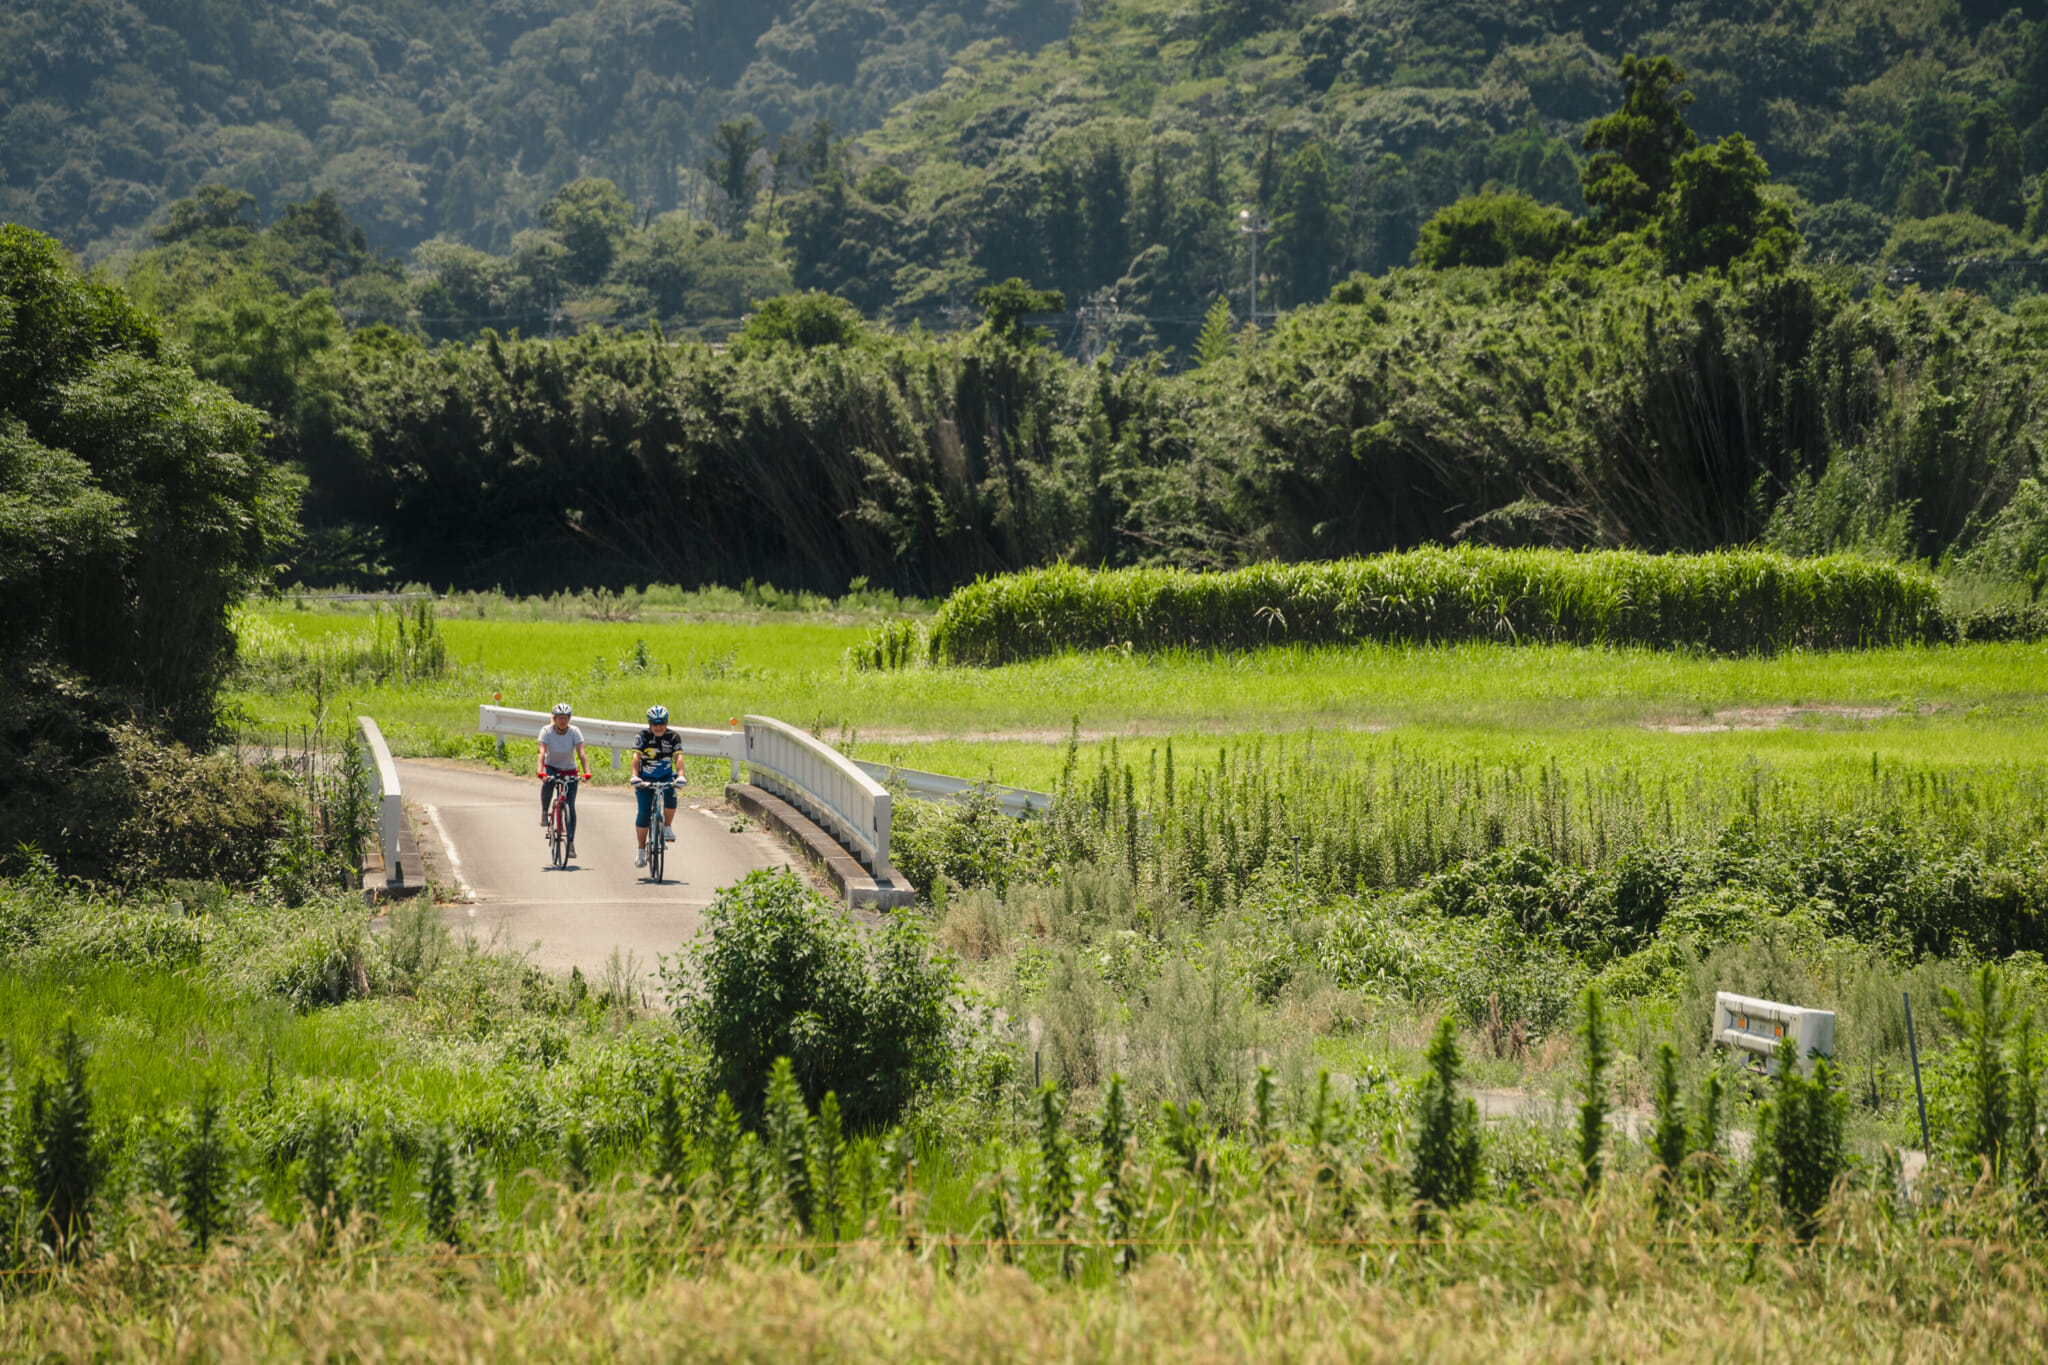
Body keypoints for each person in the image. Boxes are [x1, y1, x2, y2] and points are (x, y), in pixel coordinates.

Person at [632, 704, 686, 868]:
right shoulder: (642, 736)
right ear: (649, 723)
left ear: (666, 722)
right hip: (645, 779)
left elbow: (678, 758)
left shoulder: (673, 737)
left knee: (671, 797)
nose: (658, 726)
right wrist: (634, 776)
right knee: (643, 813)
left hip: (665, 776)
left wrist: (681, 775)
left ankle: (667, 827)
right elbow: (636, 758)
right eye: (655, 723)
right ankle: (641, 850)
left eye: (662, 722)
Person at [536, 702, 591, 859]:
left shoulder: (574, 732)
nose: (562, 721)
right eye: (559, 718)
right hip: (552, 767)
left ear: (569, 719)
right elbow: (541, 753)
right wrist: (540, 771)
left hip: (569, 769)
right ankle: (545, 812)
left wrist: (587, 772)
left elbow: (581, 754)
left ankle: (571, 842)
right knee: (549, 783)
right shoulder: (546, 731)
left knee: (570, 806)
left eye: (565, 718)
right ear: (554, 719)